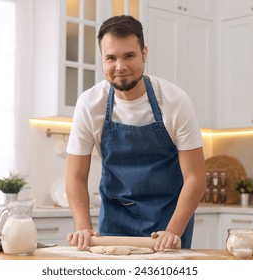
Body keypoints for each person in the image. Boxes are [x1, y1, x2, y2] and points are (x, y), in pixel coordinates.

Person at [65, 15, 206, 251]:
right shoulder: (89, 104)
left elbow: (195, 178)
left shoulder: (175, 101)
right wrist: (83, 228)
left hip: (167, 225)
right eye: (111, 58)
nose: (120, 67)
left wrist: (172, 232)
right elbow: (75, 177)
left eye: (129, 56)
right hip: (114, 223)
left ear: (144, 53)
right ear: (102, 59)